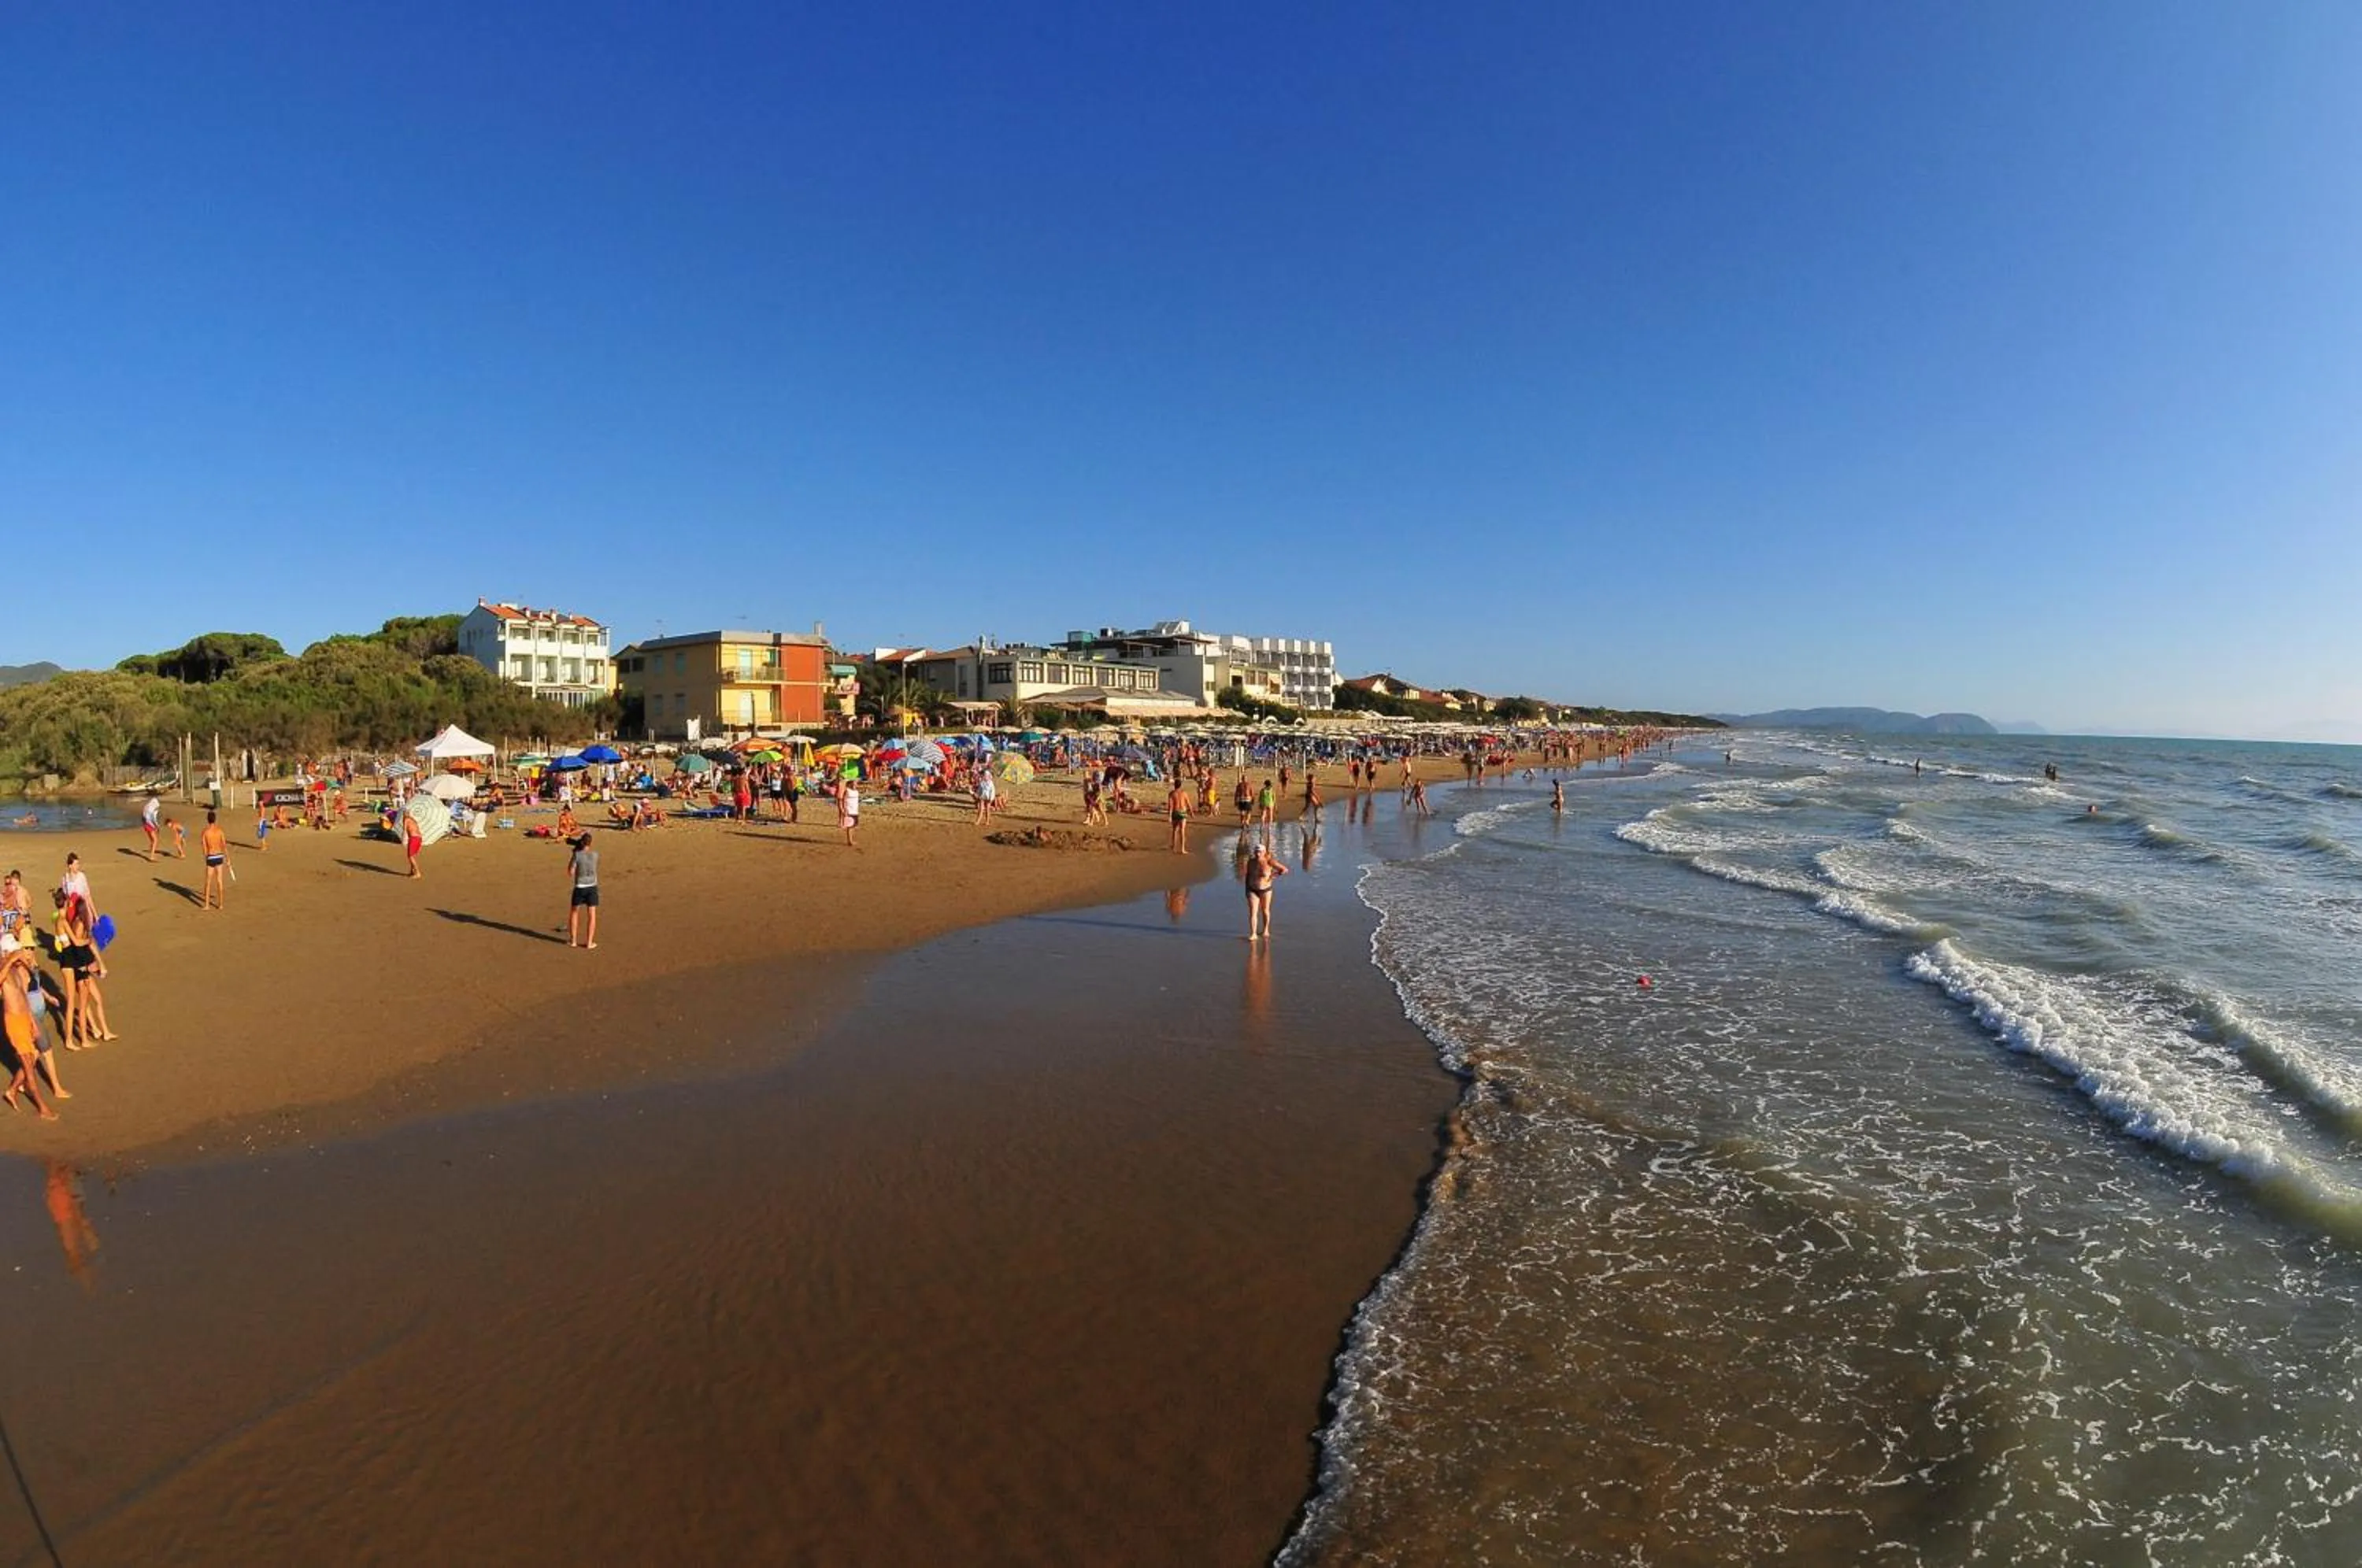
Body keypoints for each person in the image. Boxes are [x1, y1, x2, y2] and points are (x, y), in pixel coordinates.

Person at [2, 943, 57, 1120]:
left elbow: (24, 997)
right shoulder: (5, 968)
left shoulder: (17, 971)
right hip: (15, 1022)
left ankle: (11, 1091)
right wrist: (11, 960)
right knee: (28, 1066)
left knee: (33, 1056)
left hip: (25, 1018)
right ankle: (42, 1108)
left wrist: (32, 1021)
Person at [1243, 839, 1287, 941]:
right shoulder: (1251, 862)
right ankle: (1253, 934)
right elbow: (1248, 875)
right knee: (1253, 912)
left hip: (1266, 890)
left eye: (1260, 852)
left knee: (1265, 910)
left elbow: (1285, 870)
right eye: (1256, 852)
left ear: (1264, 852)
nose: (1258, 854)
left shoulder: (1269, 861)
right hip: (1252, 889)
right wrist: (1246, 889)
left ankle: (1266, 929)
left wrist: (1274, 875)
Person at [565, 833, 600, 949]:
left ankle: (573, 941)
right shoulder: (595, 855)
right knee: (592, 915)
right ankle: (589, 943)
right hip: (592, 886)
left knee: (574, 912)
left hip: (580, 887)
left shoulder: (577, 855)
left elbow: (570, 872)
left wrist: (574, 855)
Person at [199, 811, 229, 910]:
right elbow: (224, 846)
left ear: (207, 820)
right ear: (215, 819)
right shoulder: (220, 831)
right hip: (219, 856)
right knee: (219, 881)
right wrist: (228, 859)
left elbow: (204, 848)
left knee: (208, 882)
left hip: (211, 856)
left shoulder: (205, 832)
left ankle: (207, 905)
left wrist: (206, 857)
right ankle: (221, 904)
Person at [1168, 779, 1192, 854]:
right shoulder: (1184, 793)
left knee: (1175, 830)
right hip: (1182, 812)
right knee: (1182, 831)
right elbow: (1188, 803)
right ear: (1181, 785)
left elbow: (1170, 806)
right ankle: (1182, 849)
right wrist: (1191, 812)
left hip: (1175, 812)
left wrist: (1170, 816)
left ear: (1174, 785)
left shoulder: (1172, 793)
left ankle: (1174, 847)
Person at [838, 778, 861, 848]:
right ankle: (850, 841)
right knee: (850, 826)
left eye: (856, 783)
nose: (855, 785)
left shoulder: (856, 791)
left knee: (853, 826)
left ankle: (851, 840)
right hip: (849, 810)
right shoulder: (847, 791)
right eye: (853, 783)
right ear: (850, 784)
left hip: (855, 810)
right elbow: (843, 800)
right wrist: (843, 809)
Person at [142, 791, 162, 860]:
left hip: (145, 823)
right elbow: (153, 818)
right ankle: (152, 857)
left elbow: (144, 816)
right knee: (155, 840)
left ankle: (151, 850)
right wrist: (157, 826)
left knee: (152, 839)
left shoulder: (147, 806)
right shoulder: (154, 808)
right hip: (149, 823)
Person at [404, 809, 424, 878]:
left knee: (410, 856)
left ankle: (418, 873)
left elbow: (405, 831)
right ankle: (412, 871)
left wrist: (404, 840)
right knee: (412, 855)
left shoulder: (406, 820)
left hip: (414, 838)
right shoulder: (414, 820)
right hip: (419, 838)